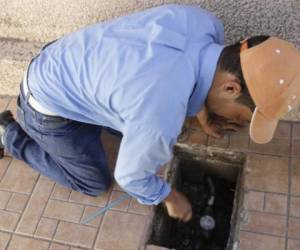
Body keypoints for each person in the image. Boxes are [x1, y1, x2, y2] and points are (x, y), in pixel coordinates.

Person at [0, 4, 299, 222]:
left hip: (68, 59)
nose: (237, 123)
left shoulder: (204, 23)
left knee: (142, 128)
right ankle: (12, 135)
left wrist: (203, 111)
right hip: (46, 103)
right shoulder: (160, 112)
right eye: (243, 116)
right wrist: (170, 197)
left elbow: (189, 75)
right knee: (93, 183)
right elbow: (131, 178)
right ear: (231, 88)